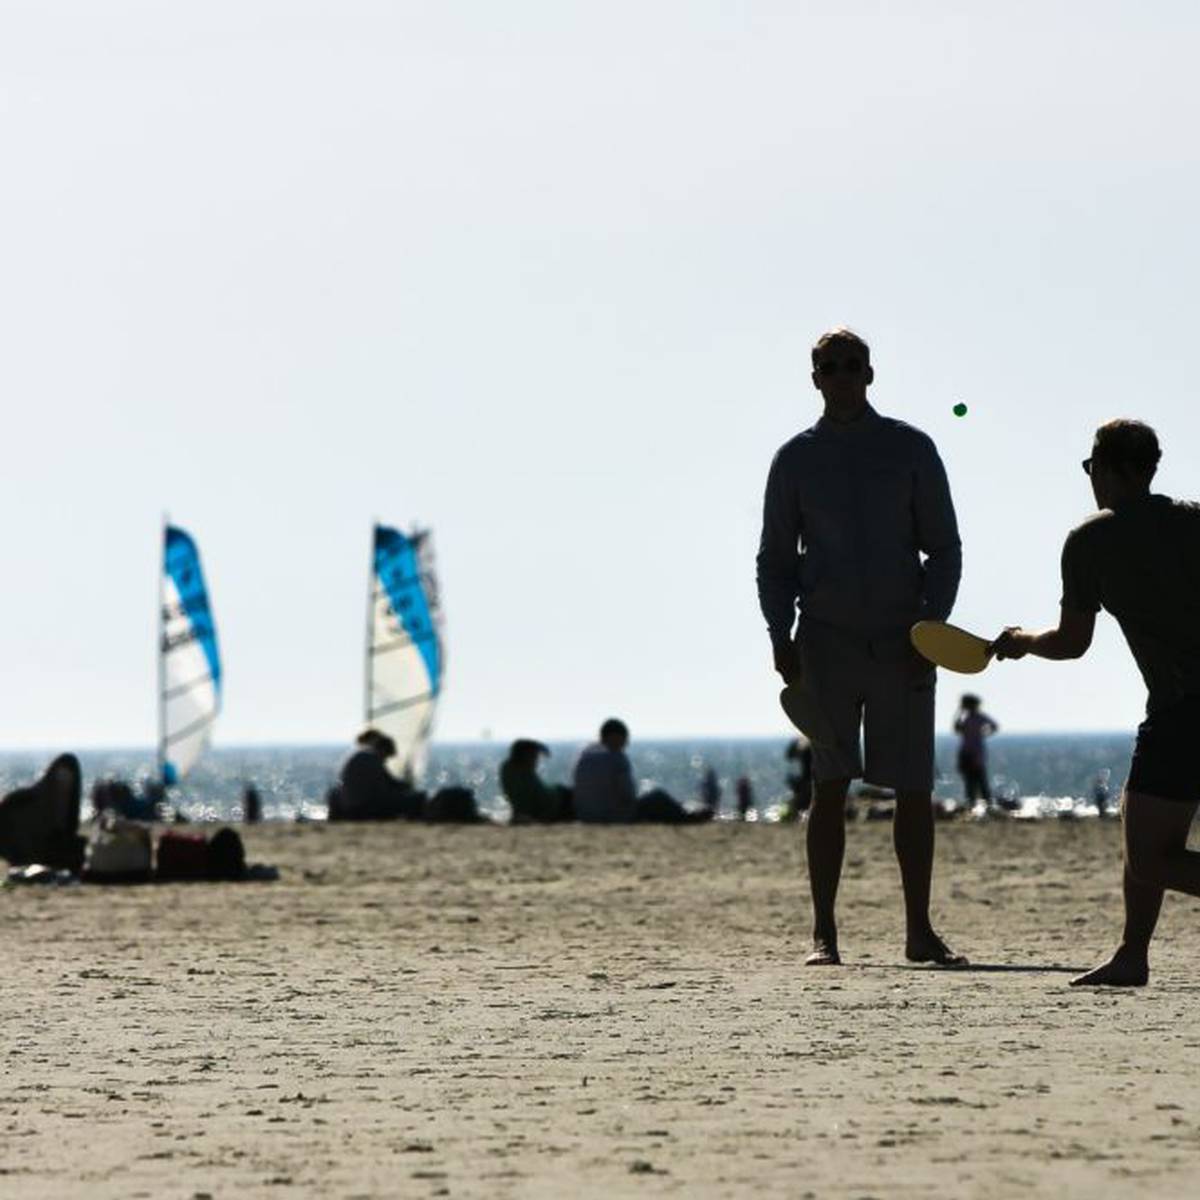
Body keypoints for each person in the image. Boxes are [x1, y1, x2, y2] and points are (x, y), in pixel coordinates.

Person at [756, 327, 966, 967]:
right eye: (831, 367)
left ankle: (918, 933)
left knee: (911, 788)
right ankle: (824, 933)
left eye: (853, 366)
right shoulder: (795, 459)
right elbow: (775, 558)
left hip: (903, 643)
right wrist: (778, 632)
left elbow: (945, 549)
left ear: (870, 375)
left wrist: (930, 629)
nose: (843, 376)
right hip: (826, 641)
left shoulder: (910, 449)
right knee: (829, 784)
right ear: (814, 377)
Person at [994, 419, 1200, 987]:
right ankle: (1132, 956)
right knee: (1143, 829)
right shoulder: (1194, 519)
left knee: (1151, 857)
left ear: (1109, 470)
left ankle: (1133, 956)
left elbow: (1072, 643)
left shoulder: (1091, 541)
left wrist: (1020, 644)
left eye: (1092, 468)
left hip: (1182, 710)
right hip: (1179, 709)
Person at [572, 719, 714, 825]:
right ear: (614, 737)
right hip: (613, 817)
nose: (625, 744)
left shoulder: (583, 756)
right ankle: (689, 818)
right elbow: (627, 794)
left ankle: (685, 811)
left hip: (586, 817)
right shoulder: (616, 758)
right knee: (658, 797)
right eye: (624, 739)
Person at [0, 754, 84, 870]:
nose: (64, 781)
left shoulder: (68, 806)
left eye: (68, 777)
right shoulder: (24, 801)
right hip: (26, 854)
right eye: (61, 776)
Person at [327, 729, 423, 820]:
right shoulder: (372, 759)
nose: (385, 760)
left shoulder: (360, 755)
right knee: (418, 798)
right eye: (386, 757)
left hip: (349, 808)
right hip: (363, 810)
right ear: (383, 750)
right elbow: (386, 787)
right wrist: (408, 787)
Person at [499, 739, 572, 823]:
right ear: (525, 756)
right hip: (560, 803)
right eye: (534, 756)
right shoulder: (523, 773)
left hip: (559, 795)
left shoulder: (508, 768)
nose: (536, 761)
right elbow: (540, 804)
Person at [953, 694, 998, 808]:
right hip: (967, 752)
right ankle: (973, 803)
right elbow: (957, 729)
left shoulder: (978, 717)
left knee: (979, 779)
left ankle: (985, 803)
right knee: (970, 780)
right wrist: (959, 712)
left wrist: (984, 734)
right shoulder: (966, 718)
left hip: (975, 752)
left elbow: (994, 726)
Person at [781, 736, 813, 822]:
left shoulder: (804, 747)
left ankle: (795, 818)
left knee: (801, 802)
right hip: (812, 780)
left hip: (809, 782)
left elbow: (789, 756)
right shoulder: (807, 746)